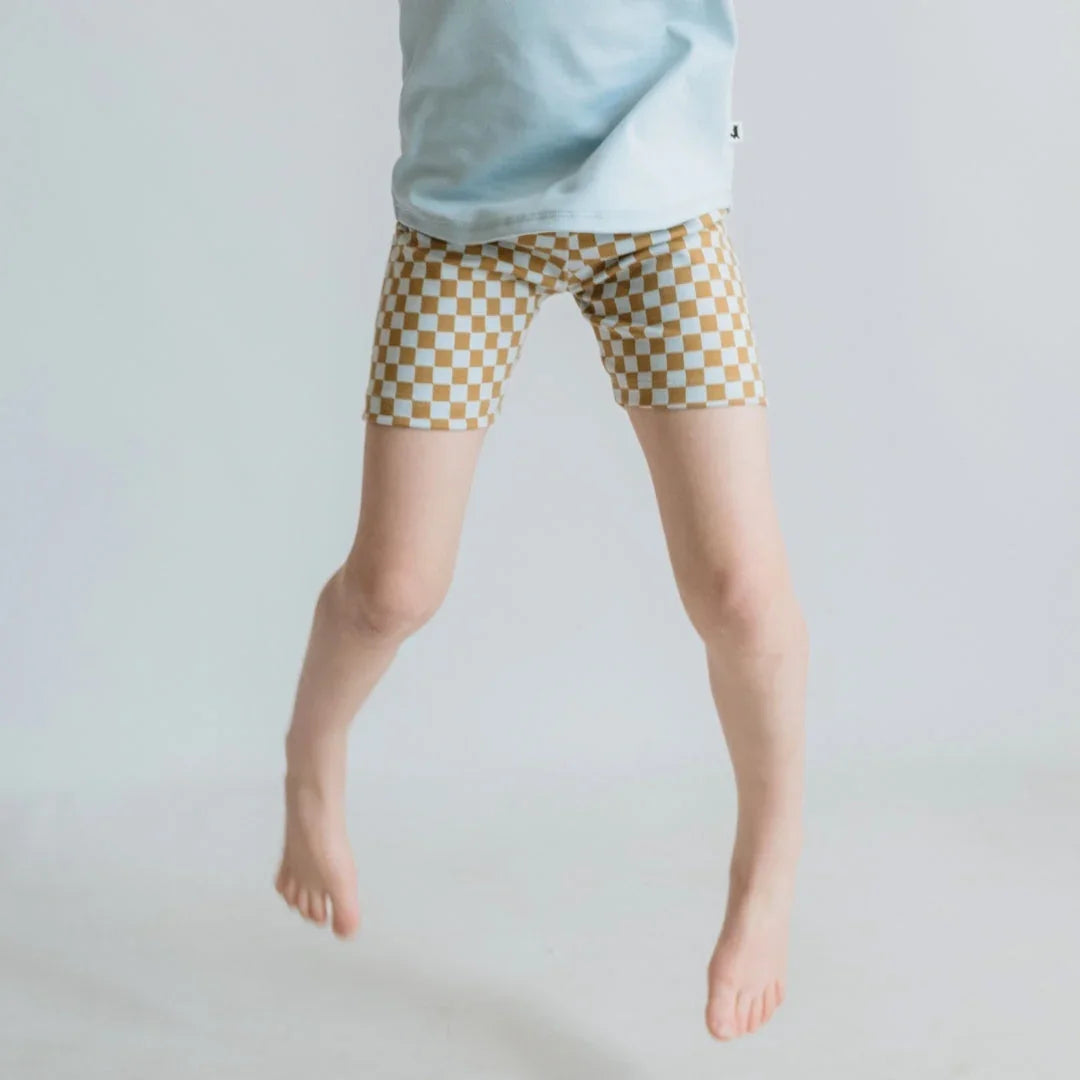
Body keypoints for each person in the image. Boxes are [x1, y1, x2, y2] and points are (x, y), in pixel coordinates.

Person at [274, 0, 807, 1043]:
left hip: (661, 205)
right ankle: (309, 757)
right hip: (462, 219)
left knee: (741, 589)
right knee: (392, 590)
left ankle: (768, 870)